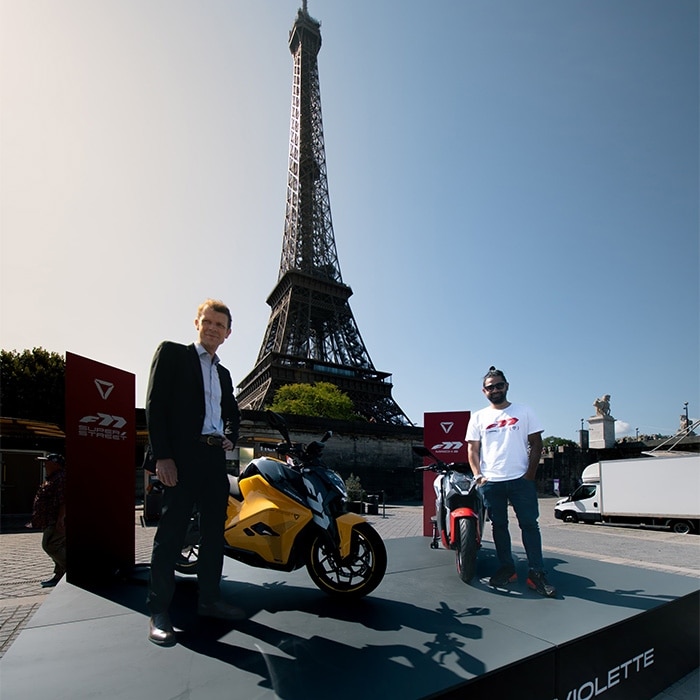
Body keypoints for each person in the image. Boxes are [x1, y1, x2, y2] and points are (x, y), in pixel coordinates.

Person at [145, 299, 244, 646]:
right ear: (197, 323)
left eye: (220, 325)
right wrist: (163, 457)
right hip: (182, 457)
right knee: (171, 533)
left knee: (214, 534)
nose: (213, 328)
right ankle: (159, 611)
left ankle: (210, 599)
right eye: (208, 322)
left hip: (214, 459)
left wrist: (231, 437)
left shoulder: (223, 374)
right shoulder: (173, 354)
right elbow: (156, 406)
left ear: (228, 333)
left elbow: (232, 412)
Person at [466, 367, 556, 597]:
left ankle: (536, 572)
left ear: (506, 386)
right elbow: (472, 449)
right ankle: (507, 568)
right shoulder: (478, 417)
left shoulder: (524, 411)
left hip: (520, 480)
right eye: (490, 387)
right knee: (499, 526)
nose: (495, 390)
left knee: (529, 526)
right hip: (491, 481)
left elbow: (537, 443)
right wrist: (478, 476)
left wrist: (529, 475)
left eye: (499, 385)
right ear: (484, 391)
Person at [29, 453, 67, 587]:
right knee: (58, 546)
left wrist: (61, 518)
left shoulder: (61, 478)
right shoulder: (53, 478)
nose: (45, 465)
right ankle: (60, 575)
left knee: (50, 545)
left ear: (55, 464)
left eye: (47, 462)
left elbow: (64, 500)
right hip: (49, 519)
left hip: (56, 520)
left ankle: (72, 570)